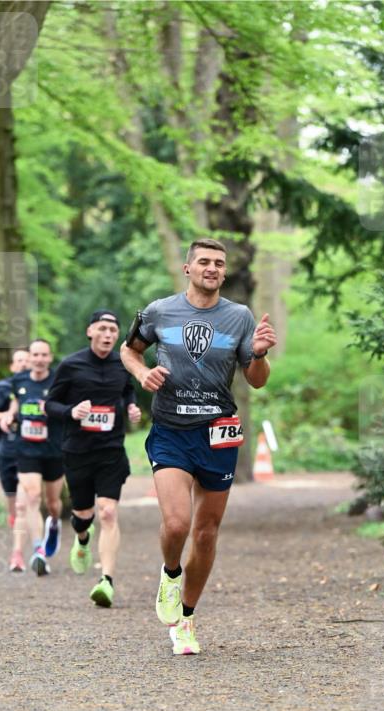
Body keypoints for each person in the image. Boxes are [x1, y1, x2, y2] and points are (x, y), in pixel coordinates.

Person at [120, 238, 276, 655]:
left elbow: (257, 379)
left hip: (217, 432)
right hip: (171, 430)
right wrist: (142, 373)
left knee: (206, 534)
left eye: (219, 263)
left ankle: (186, 619)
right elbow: (129, 350)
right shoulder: (158, 311)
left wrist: (259, 355)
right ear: (187, 268)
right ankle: (170, 575)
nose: (212, 268)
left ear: (224, 273)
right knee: (176, 524)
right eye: (204, 261)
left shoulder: (239, 317)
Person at [45, 310, 141, 607]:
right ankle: (82, 539)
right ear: (90, 332)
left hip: (111, 450)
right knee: (83, 516)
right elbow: (50, 404)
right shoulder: (71, 365)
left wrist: (131, 408)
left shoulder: (122, 364)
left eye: (113, 330)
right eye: (102, 328)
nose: (109, 335)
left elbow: (127, 391)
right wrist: (71, 412)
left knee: (108, 512)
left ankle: (107, 581)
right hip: (78, 450)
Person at [0, 338, 64, 576]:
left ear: (49, 357)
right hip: (26, 449)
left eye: (43, 355)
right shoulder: (19, 381)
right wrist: (8, 415)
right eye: (34, 355)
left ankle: (54, 524)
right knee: (33, 497)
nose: (38, 359)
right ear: (30, 358)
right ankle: (39, 551)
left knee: (53, 504)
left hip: (53, 449)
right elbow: (16, 403)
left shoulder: (58, 379)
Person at [0, 346, 30, 572]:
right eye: (18, 361)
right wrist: (9, 415)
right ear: (12, 366)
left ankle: (19, 553)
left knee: (23, 504)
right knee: (14, 506)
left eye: (25, 360)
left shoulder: (40, 388)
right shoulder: (2, 388)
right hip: (8, 453)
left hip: (33, 454)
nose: (22, 364)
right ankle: (18, 536)